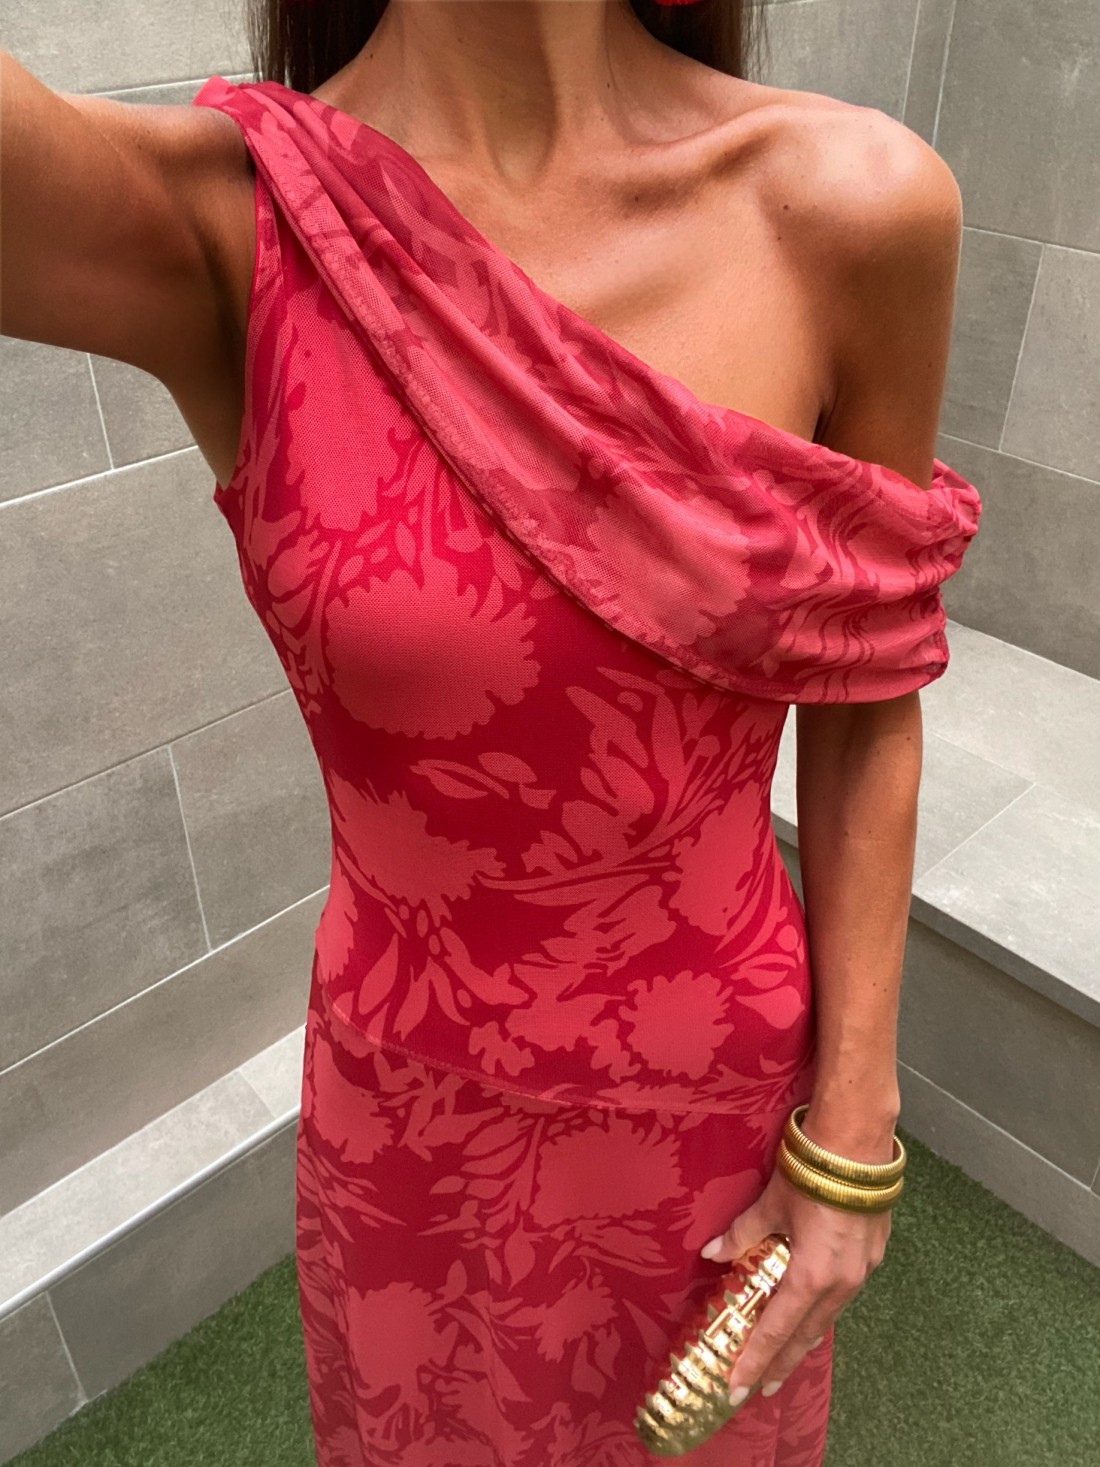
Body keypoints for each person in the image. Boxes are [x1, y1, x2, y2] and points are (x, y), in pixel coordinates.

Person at [1, 2, 981, 1463]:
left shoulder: (854, 206)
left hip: (714, 1109)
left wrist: (851, 1128)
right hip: (408, 1123)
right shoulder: (237, 225)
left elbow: (868, 701)